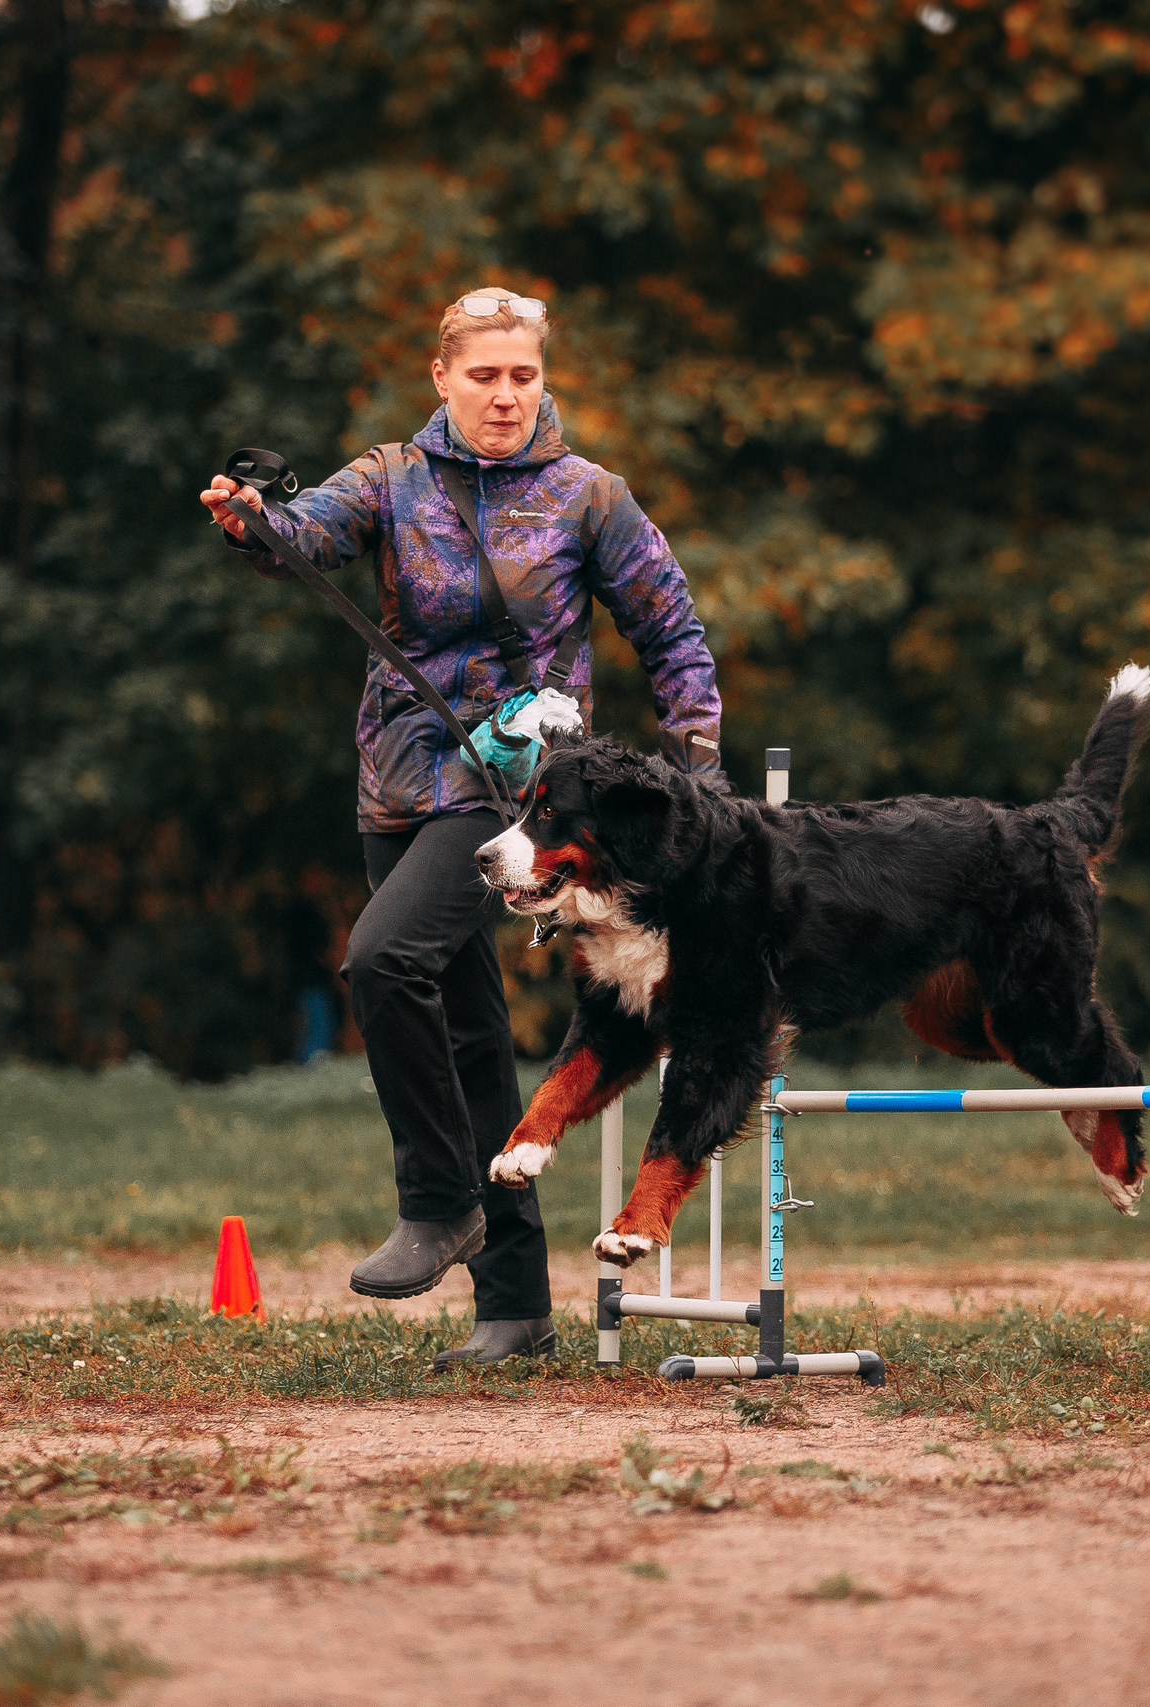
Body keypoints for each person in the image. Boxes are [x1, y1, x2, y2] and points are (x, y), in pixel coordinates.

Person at [199, 287, 723, 1370]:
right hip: (397, 778)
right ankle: (517, 1308)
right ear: (442, 378)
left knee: (383, 963)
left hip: (517, 789)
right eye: (483, 374)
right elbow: (309, 536)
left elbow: (668, 624)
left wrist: (699, 760)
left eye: (521, 375)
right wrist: (255, 522)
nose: (504, 394)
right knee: (473, 1033)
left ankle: (439, 1205)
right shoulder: (391, 478)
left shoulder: (587, 497)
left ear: (543, 380)